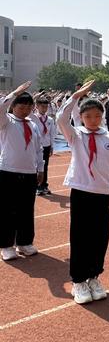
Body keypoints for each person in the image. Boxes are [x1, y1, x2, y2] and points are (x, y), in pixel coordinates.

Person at [57, 80, 109, 305]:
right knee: (80, 236)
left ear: (103, 116)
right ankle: (78, 280)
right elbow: (61, 118)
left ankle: (94, 276)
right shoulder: (76, 136)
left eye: (97, 115)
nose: (93, 120)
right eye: (88, 116)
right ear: (81, 118)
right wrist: (77, 96)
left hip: (102, 194)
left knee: (100, 237)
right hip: (82, 192)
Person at [0, 81, 44, 262]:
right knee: (7, 210)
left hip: (28, 173)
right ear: (13, 106)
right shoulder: (6, 121)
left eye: (28, 106)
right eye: (21, 105)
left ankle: (24, 242)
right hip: (7, 171)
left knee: (26, 209)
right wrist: (15, 93)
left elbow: (38, 148)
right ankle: (5, 245)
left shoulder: (32, 125)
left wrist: (40, 168)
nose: (25, 109)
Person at [30, 96, 56, 196]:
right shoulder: (34, 117)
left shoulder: (49, 119)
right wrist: (35, 97)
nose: (44, 109)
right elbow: (30, 109)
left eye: (46, 107)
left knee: (45, 166)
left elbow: (52, 133)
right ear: (37, 106)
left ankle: (44, 185)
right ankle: (37, 186)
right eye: (42, 106)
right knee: (36, 166)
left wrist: (52, 146)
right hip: (36, 146)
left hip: (47, 145)